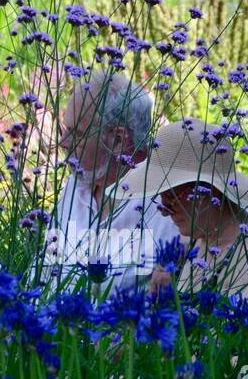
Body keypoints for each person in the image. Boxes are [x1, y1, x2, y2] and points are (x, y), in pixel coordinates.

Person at [109, 118, 248, 298]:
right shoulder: (199, 240)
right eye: (161, 197)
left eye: (171, 197)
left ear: (208, 190)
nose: (163, 210)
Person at [43, 71, 181, 294]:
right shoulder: (77, 185)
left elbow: (159, 306)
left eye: (76, 133)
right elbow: (42, 275)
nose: (63, 143)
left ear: (117, 139)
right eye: (65, 130)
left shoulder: (166, 207)